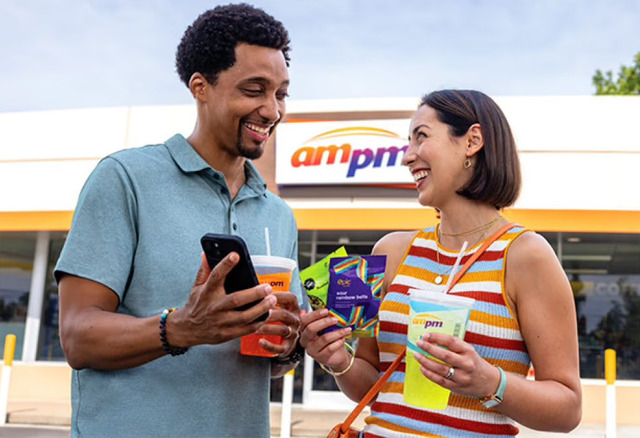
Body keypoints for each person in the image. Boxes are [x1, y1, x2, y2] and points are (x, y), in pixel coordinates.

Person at [55, 4, 304, 437]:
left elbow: (269, 358)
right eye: (254, 89)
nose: (271, 110)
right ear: (200, 86)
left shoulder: (278, 215)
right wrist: (183, 328)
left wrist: (288, 347)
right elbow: (78, 336)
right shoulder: (125, 179)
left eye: (280, 93)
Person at [300, 89, 582, 436]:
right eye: (408, 142)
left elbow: (567, 408)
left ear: (472, 141)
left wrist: (488, 381)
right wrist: (339, 361)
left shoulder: (527, 255)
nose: (407, 157)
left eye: (421, 137)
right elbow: (372, 387)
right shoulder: (391, 251)